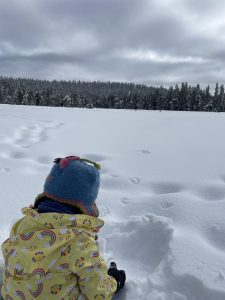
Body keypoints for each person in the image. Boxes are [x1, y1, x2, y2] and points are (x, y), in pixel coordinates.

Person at [1, 156, 126, 299]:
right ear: (85, 205)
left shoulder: (23, 224)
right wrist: (114, 281)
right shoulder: (79, 241)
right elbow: (97, 292)